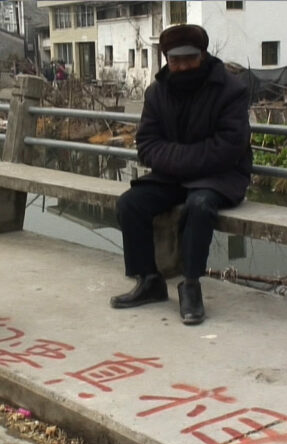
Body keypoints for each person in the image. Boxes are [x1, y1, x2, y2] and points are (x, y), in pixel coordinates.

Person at [110, 24, 252, 325]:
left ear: (203, 55)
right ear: (166, 60)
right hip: (174, 176)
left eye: (190, 59)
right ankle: (149, 280)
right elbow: (147, 144)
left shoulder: (231, 89)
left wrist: (176, 159)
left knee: (199, 206)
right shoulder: (157, 92)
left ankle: (191, 285)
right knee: (130, 204)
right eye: (176, 61)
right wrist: (183, 161)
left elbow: (229, 147)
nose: (183, 66)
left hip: (220, 176)